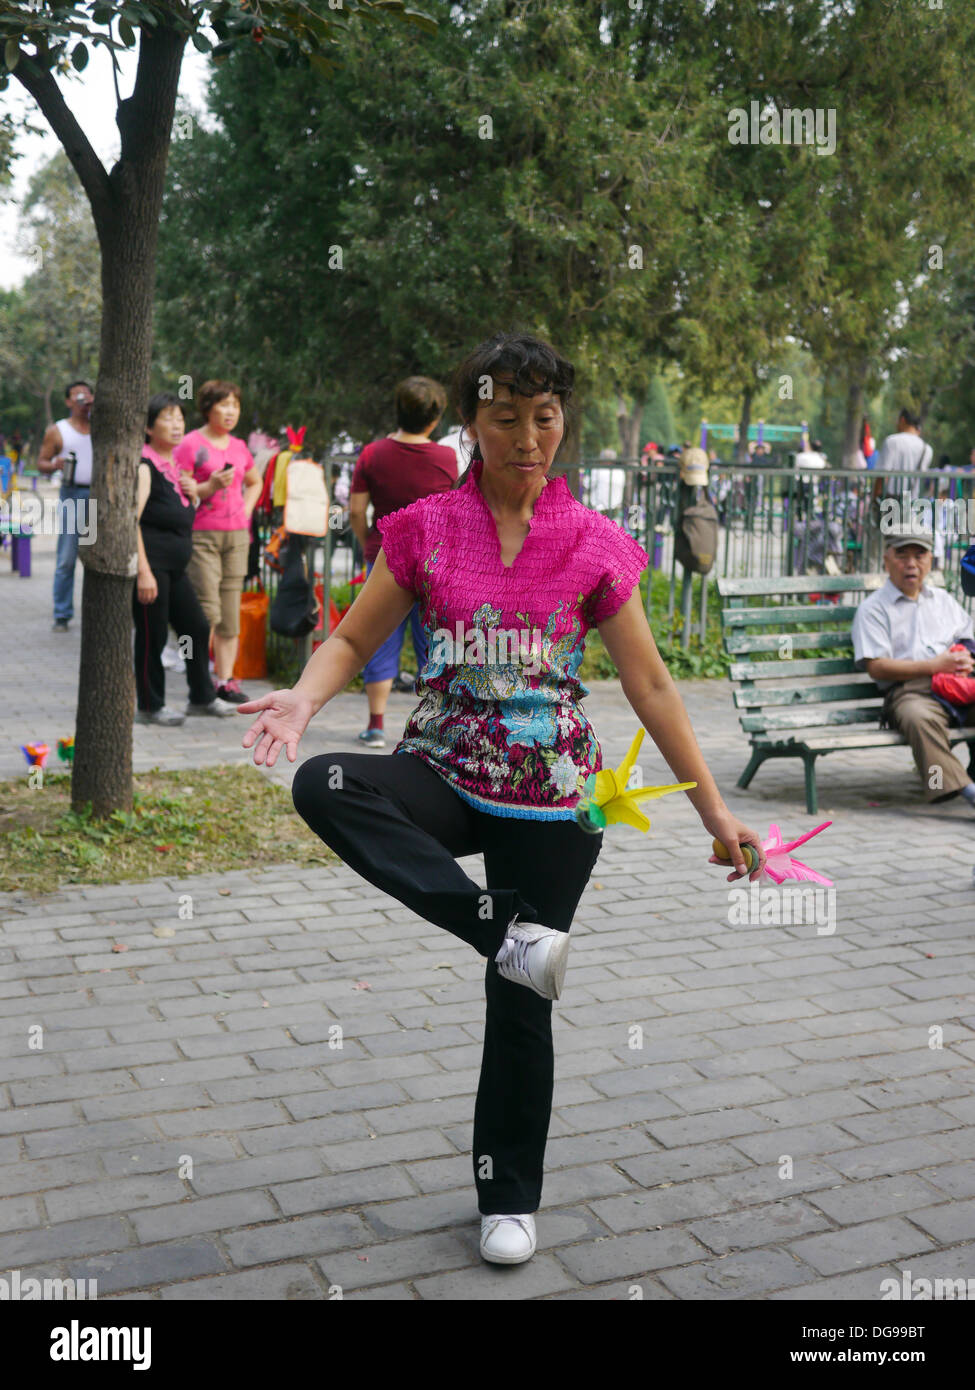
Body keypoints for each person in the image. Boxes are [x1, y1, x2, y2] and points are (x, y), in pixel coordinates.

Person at [238, 331, 765, 1267]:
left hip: (556, 800)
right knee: (329, 781)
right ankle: (497, 927)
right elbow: (354, 642)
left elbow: (650, 687)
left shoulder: (595, 544)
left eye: (544, 417)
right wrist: (305, 698)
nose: (527, 437)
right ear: (470, 425)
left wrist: (713, 812)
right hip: (442, 769)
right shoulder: (429, 527)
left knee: (520, 1001)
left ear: (563, 421)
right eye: (504, 417)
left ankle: (507, 1198)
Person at [348, 377, 458, 747]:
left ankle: (376, 725)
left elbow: (356, 510)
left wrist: (369, 543)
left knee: (379, 639)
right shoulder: (446, 458)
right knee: (434, 643)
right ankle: (433, 724)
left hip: (386, 557)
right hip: (435, 564)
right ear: (435, 418)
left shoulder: (372, 454)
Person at [852, 525, 975, 808]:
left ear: (931, 559)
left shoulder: (944, 601)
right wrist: (934, 665)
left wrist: (965, 658)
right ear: (887, 560)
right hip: (909, 694)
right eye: (902, 555)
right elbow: (877, 668)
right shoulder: (873, 609)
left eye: (919, 555)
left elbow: (968, 641)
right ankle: (968, 793)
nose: (911, 564)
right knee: (919, 718)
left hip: (957, 688)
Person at [133, 393, 238, 725]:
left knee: (195, 626)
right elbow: (130, 521)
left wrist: (196, 493)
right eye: (167, 418)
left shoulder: (173, 466)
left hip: (175, 568)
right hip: (153, 566)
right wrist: (143, 572)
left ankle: (202, 697)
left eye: (180, 418)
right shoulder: (145, 467)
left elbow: (179, 513)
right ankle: (150, 706)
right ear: (149, 428)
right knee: (153, 635)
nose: (177, 424)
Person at [174, 381, 262, 704]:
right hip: (202, 535)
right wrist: (209, 486)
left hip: (238, 536)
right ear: (208, 408)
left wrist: (246, 509)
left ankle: (226, 682)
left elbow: (255, 481)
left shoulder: (239, 446)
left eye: (235, 406)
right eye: (224, 405)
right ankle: (200, 682)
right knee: (206, 612)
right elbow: (181, 490)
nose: (230, 412)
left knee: (229, 613)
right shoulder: (189, 444)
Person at [36, 381, 94, 632]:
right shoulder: (58, 430)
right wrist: (56, 464)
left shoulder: (102, 427)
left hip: (96, 496)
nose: (82, 399)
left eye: (86, 394)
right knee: (67, 558)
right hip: (72, 494)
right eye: (77, 396)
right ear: (69, 401)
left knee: (95, 557)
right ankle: (62, 614)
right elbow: (41, 462)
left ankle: (95, 612)